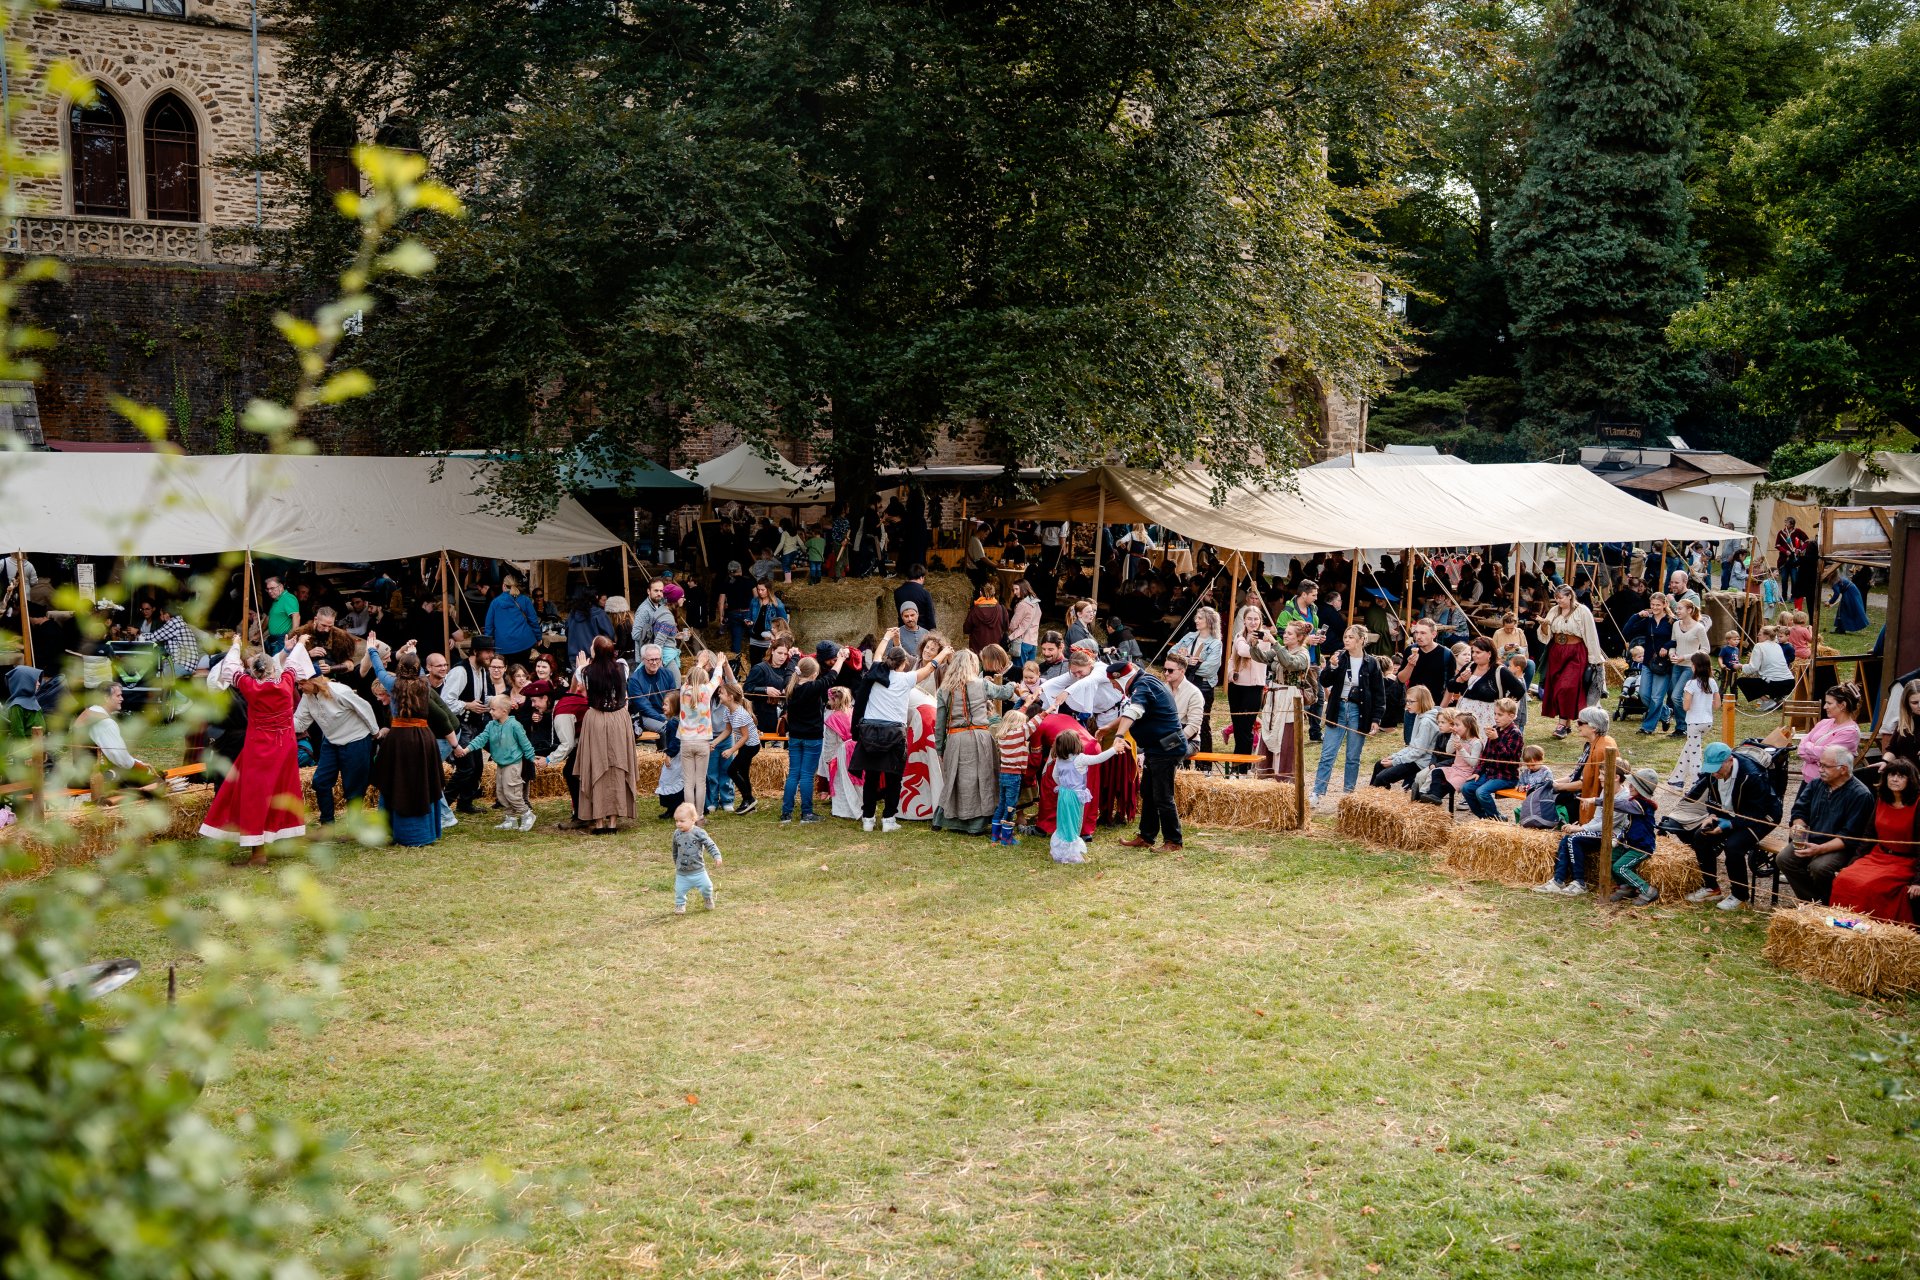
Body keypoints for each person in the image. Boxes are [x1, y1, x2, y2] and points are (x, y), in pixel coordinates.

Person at [201, 637, 314, 863]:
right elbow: (292, 662)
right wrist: (301, 641)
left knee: (255, 796)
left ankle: (258, 853)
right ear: (273, 670)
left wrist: (234, 645)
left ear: (254, 672)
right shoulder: (286, 683)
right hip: (284, 748)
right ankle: (286, 838)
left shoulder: (250, 686)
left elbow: (231, 668)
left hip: (259, 749)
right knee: (285, 790)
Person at [1674, 740, 1783, 910]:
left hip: (1763, 817)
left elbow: (1758, 812)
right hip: (1731, 812)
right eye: (1711, 768)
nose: (1714, 773)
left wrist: (1730, 824)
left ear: (1730, 761)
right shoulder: (1713, 773)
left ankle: (1739, 896)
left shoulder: (1752, 776)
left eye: (1717, 768)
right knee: (1700, 836)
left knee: (1733, 847)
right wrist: (1712, 815)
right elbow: (1712, 796)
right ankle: (1711, 888)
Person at [854, 628, 937, 832]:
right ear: (903, 664)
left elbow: (878, 655)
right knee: (894, 778)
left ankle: (868, 819)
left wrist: (887, 637)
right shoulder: (905, 679)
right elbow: (929, 669)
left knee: (871, 778)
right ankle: (889, 819)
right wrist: (942, 654)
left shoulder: (875, 673)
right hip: (894, 734)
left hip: (870, 731)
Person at [931, 649, 1018, 835]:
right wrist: (1012, 685)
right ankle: (977, 824)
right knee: (981, 779)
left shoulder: (944, 690)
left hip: (956, 737)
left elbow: (940, 723)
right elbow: (1003, 692)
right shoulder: (982, 684)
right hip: (980, 736)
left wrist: (939, 747)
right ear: (973, 665)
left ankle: (946, 819)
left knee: (957, 780)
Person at [1104, 661, 1186, 853]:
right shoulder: (1144, 683)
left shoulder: (1143, 686)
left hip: (1166, 749)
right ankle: (1146, 836)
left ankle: (1174, 841)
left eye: (1114, 683)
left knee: (1163, 796)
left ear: (1121, 678)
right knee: (1148, 792)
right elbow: (1131, 712)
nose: (1114, 687)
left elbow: (1135, 711)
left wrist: (1118, 736)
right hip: (1157, 748)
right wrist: (1110, 727)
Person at [1780, 745, 1877, 905]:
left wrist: (1819, 850)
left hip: (1840, 847)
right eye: (1820, 764)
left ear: (1843, 769)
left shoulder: (1860, 795)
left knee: (1820, 867)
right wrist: (1799, 826)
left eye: (1825, 766)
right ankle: (1812, 901)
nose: (1820, 770)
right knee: (1784, 859)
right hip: (1813, 839)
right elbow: (1800, 809)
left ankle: (1829, 903)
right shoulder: (1817, 784)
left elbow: (1849, 837)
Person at [1830, 757, 1920, 924]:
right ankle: (1844, 925)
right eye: (1891, 775)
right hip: (1879, 855)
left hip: (1905, 861)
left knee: (1870, 885)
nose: (1894, 779)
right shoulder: (1882, 800)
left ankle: (1870, 927)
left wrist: (1918, 881)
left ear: (1910, 780)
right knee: (1844, 878)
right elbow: (1869, 835)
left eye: (1901, 776)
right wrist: (1853, 862)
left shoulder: (1917, 804)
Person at [370, 662, 446, 847]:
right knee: (422, 781)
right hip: (423, 738)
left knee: (399, 781)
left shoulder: (393, 684)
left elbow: (380, 671)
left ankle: (401, 831)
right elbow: (419, 672)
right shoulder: (424, 683)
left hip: (400, 739)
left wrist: (372, 651)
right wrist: (413, 652)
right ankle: (424, 832)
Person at [293, 666, 380, 826]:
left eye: (302, 683)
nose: (299, 687)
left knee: (353, 787)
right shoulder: (307, 698)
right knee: (320, 781)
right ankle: (327, 824)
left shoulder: (339, 691)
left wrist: (374, 732)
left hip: (356, 740)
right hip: (331, 742)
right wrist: (280, 724)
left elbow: (364, 708)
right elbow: (300, 722)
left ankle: (353, 826)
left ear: (314, 682)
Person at [1312, 625, 1385, 807]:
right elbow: (1324, 681)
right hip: (1338, 708)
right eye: (1345, 636)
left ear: (1361, 640)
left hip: (1359, 712)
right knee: (1328, 754)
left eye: (1351, 637)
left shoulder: (1372, 663)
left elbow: (1378, 693)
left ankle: (1348, 794)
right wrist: (1332, 667)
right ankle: (1317, 792)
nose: (1346, 640)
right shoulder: (1340, 657)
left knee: (1353, 756)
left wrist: (1376, 719)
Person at [574, 637, 637, 834]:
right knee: (616, 765)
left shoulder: (584, 672)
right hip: (619, 719)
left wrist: (584, 664)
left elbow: (581, 682)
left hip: (597, 720)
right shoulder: (623, 667)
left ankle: (600, 821)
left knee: (597, 764)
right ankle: (612, 822)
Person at [455, 695, 537, 831]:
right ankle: (510, 819)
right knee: (501, 792)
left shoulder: (514, 725)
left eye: (493, 709)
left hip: (513, 764)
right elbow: (481, 739)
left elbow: (525, 743)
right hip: (501, 764)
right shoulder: (491, 725)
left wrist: (532, 758)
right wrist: (466, 749)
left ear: (504, 711)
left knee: (512, 792)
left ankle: (527, 814)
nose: (490, 712)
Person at [781, 649, 842, 823]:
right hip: (812, 738)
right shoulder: (813, 687)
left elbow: (789, 671)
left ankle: (787, 813)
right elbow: (832, 676)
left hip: (795, 737)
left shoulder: (790, 685)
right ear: (814, 674)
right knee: (807, 775)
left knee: (793, 774)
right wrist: (842, 659)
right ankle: (806, 813)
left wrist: (793, 656)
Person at [1045, 728, 1123, 863]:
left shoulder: (1059, 759)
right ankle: (1071, 854)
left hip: (1063, 795)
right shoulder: (1079, 759)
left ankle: (1060, 850)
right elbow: (1099, 758)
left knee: (1064, 822)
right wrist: (1114, 749)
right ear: (1076, 744)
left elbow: (1054, 776)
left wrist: (1064, 786)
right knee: (1075, 823)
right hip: (1075, 796)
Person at [1537, 584, 1604, 737]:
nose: (1558, 601)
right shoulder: (1554, 611)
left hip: (1575, 653)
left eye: (1560, 598)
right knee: (1557, 688)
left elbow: (1591, 635)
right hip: (1557, 653)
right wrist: (1544, 626)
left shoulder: (1582, 611)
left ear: (1569, 596)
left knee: (1566, 687)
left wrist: (1595, 659)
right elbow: (1546, 636)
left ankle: (1561, 725)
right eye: (1556, 598)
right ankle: (1566, 725)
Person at [1251, 619, 1315, 779]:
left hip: (1290, 697)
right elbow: (1264, 658)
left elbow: (1289, 663)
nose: (1284, 636)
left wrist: (1274, 643)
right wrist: (1253, 645)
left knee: (1285, 735)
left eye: (1289, 633)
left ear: (1299, 637)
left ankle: (1285, 776)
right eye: (1285, 633)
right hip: (1274, 695)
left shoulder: (1303, 654)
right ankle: (1267, 773)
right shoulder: (1282, 649)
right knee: (1270, 729)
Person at [74, 683, 158, 787]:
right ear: (106, 698)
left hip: (81, 775)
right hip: (94, 777)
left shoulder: (91, 711)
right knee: (157, 781)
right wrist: (142, 768)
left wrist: (137, 762)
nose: (122, 699)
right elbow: (120, 758)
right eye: (118, 695)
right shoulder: (105, 722)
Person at [1551, 706, 1618, 825]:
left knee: (1545, 812)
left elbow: (1586, 783)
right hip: (1575, 794)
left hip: (1585, 800)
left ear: (1594, 727)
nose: (1577, 725)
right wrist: (1552, 782)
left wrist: (1558, 787)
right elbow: (1575, 775)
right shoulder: (1590, 744)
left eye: (1581, 722)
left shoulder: (1602, 749)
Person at [1623, 592, 1676, 734]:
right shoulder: (1649, 620)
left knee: (1657, 697)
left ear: (1665, 604)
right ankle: (1665, 713)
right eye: (1652, 605)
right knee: (1645, 695)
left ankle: (1648, 727)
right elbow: (1627, 631)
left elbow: (1678, 638)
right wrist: (1637, 616)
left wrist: (1667, 645)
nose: (1655, 607)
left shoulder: (1672, 621)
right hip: (1648, 662)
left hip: (1663, 664)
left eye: (1658, 605)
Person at [1462, 699, 1524, 820]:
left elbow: (1508, 757)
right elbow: (1485, 755)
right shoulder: (1495, 729)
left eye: (1500, 715)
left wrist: (1496, 740)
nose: (1496, 717)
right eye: (1495, 714)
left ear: (1511, 716)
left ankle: (1496, 818)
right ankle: (1484, 818)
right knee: (1467, 788)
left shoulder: (1515, 733)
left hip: (1506, 776)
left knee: (1481, 792)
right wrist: (1477, 772)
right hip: (1490, 773)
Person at [1369, 686, 1439, 792]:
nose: (1407, 705)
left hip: (1421, 763)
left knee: (1381, 778)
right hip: (1414, 758)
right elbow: (1412, 746)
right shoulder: (1419, 716)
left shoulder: (1426, 722)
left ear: (1422, 701)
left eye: (1411, 702)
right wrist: (1393, 757)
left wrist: (1395, 761)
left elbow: (1418, 751)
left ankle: (1377, 800)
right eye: (1407, 701)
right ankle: (1371, 797)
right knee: (1379, 765)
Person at [1224, 606, 1268, 771]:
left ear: (1260, 621)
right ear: (1244, 621)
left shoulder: (1264, 639)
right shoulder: (1239, 636)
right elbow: (1235, 655)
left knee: (1246, 727)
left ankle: (1243, 767)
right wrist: (1230, 674)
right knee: (1238, 727)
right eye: (1249, 619)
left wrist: (1252, 642)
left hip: (1254, 687)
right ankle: (1239, 764)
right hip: (1237, 686)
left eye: (1256, 619)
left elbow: (1245, 651)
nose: (1253, 622)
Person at [1669, 653, 1719, 789]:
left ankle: (1697, 783)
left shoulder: (1691, 683)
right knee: (1689, 748)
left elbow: (1686, 706)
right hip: (1707, 721)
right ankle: (1676, 779)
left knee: (1695, 754)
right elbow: (1717, 705)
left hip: (1694, 722)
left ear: (1695, 666)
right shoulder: (1712, 682)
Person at [1396, 620, 1450, 743]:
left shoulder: (1446, 654)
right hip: (1412, 708)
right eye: (1416, 632)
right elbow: (1401, 679)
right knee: (1410, 744)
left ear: (1434, 634)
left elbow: (1450, 686)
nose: (1418, 636)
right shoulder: (1410, 650)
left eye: (1423, 633)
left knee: (1430, 746)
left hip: (1434, 708)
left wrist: (1441, 709)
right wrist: (1410, 665)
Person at [714, 682, 762, 815]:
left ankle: (749, 799)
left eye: (721, 693)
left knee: (732, 770)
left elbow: (745, 737)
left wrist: (731, 750)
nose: (718, 695)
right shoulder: (728, 711)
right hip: (745, 745)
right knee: (743, 772)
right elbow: (728, 730)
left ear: (730, 697)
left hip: (751, 746)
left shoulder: (740, 714)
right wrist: (714, 743)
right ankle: (749, 803)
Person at [678, 660, 717, 821]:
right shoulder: (707, 691)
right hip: (702, 741)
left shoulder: (683, 690)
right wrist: (720, 664)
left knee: (688, 782)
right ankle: (699, 815)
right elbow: (717, 679)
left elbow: (692, 677)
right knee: (700, 781)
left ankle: (688, 817)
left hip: (686, 741)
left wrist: (699, 664)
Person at [667, 802, 723, 913]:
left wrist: (717, 855)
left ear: (693, 820)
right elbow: (675, 850)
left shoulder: (699, 833)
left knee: (707, 887)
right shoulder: (676, 834)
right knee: (679, 890)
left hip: (698, 871)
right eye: (676, 821)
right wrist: (676, 862)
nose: (678, 824)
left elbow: (709, 844)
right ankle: (680, 905)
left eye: (682, 821)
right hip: (682, 872)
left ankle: (708, 898)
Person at [1667, 598, 1712, 735]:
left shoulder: (1699, 628)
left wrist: (1685, 657)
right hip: (1677, 665)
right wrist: (1672, 654)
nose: (1677, 611)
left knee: (1676, 696)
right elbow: (1673, 643)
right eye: (1677, 608)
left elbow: (1705, 649)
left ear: (1689, 610)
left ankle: (1687, 724)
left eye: (1680, 608)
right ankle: (1681, 727)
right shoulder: (1676, 625)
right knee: (1676, 696)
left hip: (1689, 666)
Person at [990, 707, 1032, 846]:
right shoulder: (1017, 736)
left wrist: (1026, 704)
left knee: (1001, 805)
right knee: (1010, 807)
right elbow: (1036, 723)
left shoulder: (1003, 736)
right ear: (1016, 723)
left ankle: (995, 835)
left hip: (1004, 774)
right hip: (1014, 776)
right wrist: (1049, 709)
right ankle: (1007, 837)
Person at [821, 685, 862, 820]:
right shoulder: (853, 712)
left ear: (835, 701)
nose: (828, 703)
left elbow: (830, 742)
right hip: (856, 749)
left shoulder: (833, 719)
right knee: (856, 781)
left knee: (841, 781)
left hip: (841, 752)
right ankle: (860, 805)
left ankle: (844, 810)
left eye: (830, 700)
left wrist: (828, 758)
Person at [483, 576, 542, 665]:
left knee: (506, 674)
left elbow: (489, 627)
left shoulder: (495, 603)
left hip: (503, 645)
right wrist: (538, 637)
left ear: (503, 586)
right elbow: (533, 621)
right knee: (522, 672)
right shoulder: (525, 600)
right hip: (524, 643)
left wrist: (488, 645)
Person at [1736, 626, 1797, 711]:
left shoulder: (1759, 646)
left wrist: (1740, 666)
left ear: (1766, 636)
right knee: (1768, 679)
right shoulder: (1777, 646)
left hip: (1775, 684)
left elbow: (1753, 667)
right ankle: (1778, 700)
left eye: (1760, 634)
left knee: (1741, 681)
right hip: (1790, 682)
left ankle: (1768, 701)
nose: (1758, 636)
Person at [627, 643, 680, 736]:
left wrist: (671, 716)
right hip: (646, 716)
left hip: (668, 714)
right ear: (643, 659)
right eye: (651, 660)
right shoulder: (635, 680)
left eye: (657, 659)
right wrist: (664, 719)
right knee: (669, 728)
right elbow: (644, 708)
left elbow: (674, 700)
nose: (655, 663)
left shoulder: (668, 674)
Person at [631, 579, 678, 668]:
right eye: (656, 590)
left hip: (658, 656)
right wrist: (658, 632)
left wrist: (669, 632)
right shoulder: (644, 610)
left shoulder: (660, 604)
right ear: (648, 591)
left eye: (661, 591)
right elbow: (635, 634)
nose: (659, 593)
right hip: (646, 659)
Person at [564, 588, 613, 669]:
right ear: (596, 597)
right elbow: (609, 635)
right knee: (595, 681)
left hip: (575, 655)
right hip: (594, 656)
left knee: (578, 680)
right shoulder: (599, 614)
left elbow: (567, 632)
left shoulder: (573, 613)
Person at [1513, 745, 1558, 828]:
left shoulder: (1546, 772)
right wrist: (1521, 787)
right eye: (1528, 765)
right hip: (1528, 799)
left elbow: (1548, 786)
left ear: (1541, 760)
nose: (1530, 767)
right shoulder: (1526, 772)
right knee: (1524, 811)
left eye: (1533, 765)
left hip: (1540, 801)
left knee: (1537, 815)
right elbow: (1520, 783)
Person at [962, 581, 1009, 656]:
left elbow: (966, 629)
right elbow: (1006, 627)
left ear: (981, 593)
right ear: (994, 593)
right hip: (995, 652)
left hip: (978, 653)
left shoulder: (974, 610)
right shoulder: (1002, 609)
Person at [1006, 581, 1042, 668]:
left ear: (1024, 588)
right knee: (1029, 671)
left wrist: (1009, 636)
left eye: (1016, 589)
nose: (1014, 592)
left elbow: (1013, 625)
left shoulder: (1023, 604)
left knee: (1018, 672)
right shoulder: (1036, 603)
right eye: (1013, 589)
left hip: (1022, 642)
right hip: (1033, 642)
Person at [893, 565, 938, 633]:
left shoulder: (897, 592)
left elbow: (900, 613)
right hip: (922, 632)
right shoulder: (925, 593)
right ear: (921, 577)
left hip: (904, 630)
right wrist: (933, 633)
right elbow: (930, 616)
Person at [1827, 568, 1870, 634]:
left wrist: (1829, 602)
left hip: (1850, 593)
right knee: (1843, 609)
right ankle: (1840, 628)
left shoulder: (1835, 581)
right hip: (1851, 591)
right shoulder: (1837, 579)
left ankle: (1841, 629)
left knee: (1844, 609)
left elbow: (1836, 594)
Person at [1775, 517, 1808, 603]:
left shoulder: (1798, 532)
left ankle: (1794, 596)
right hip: (1784, 560)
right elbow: (1777, 545)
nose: (1785, 524)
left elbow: (1807, 541)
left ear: (1792, 524)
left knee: (1794, 579)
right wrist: (1785, 551)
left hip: (1794, 560)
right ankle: (1784, 596)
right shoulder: (1781, 533)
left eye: (1787, 522)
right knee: (1784, 579)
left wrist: (1799, 549)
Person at [262, 576, 299, 651]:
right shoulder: (276, 600)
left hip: (282, 639)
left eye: (272, 588)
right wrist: (258, 634)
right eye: (268, 589)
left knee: (279, 662)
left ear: (281, 586)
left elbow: (296, 616)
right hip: (274, 639)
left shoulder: (288, 598)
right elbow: (269, 618)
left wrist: (292, 636)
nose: (269, 591)